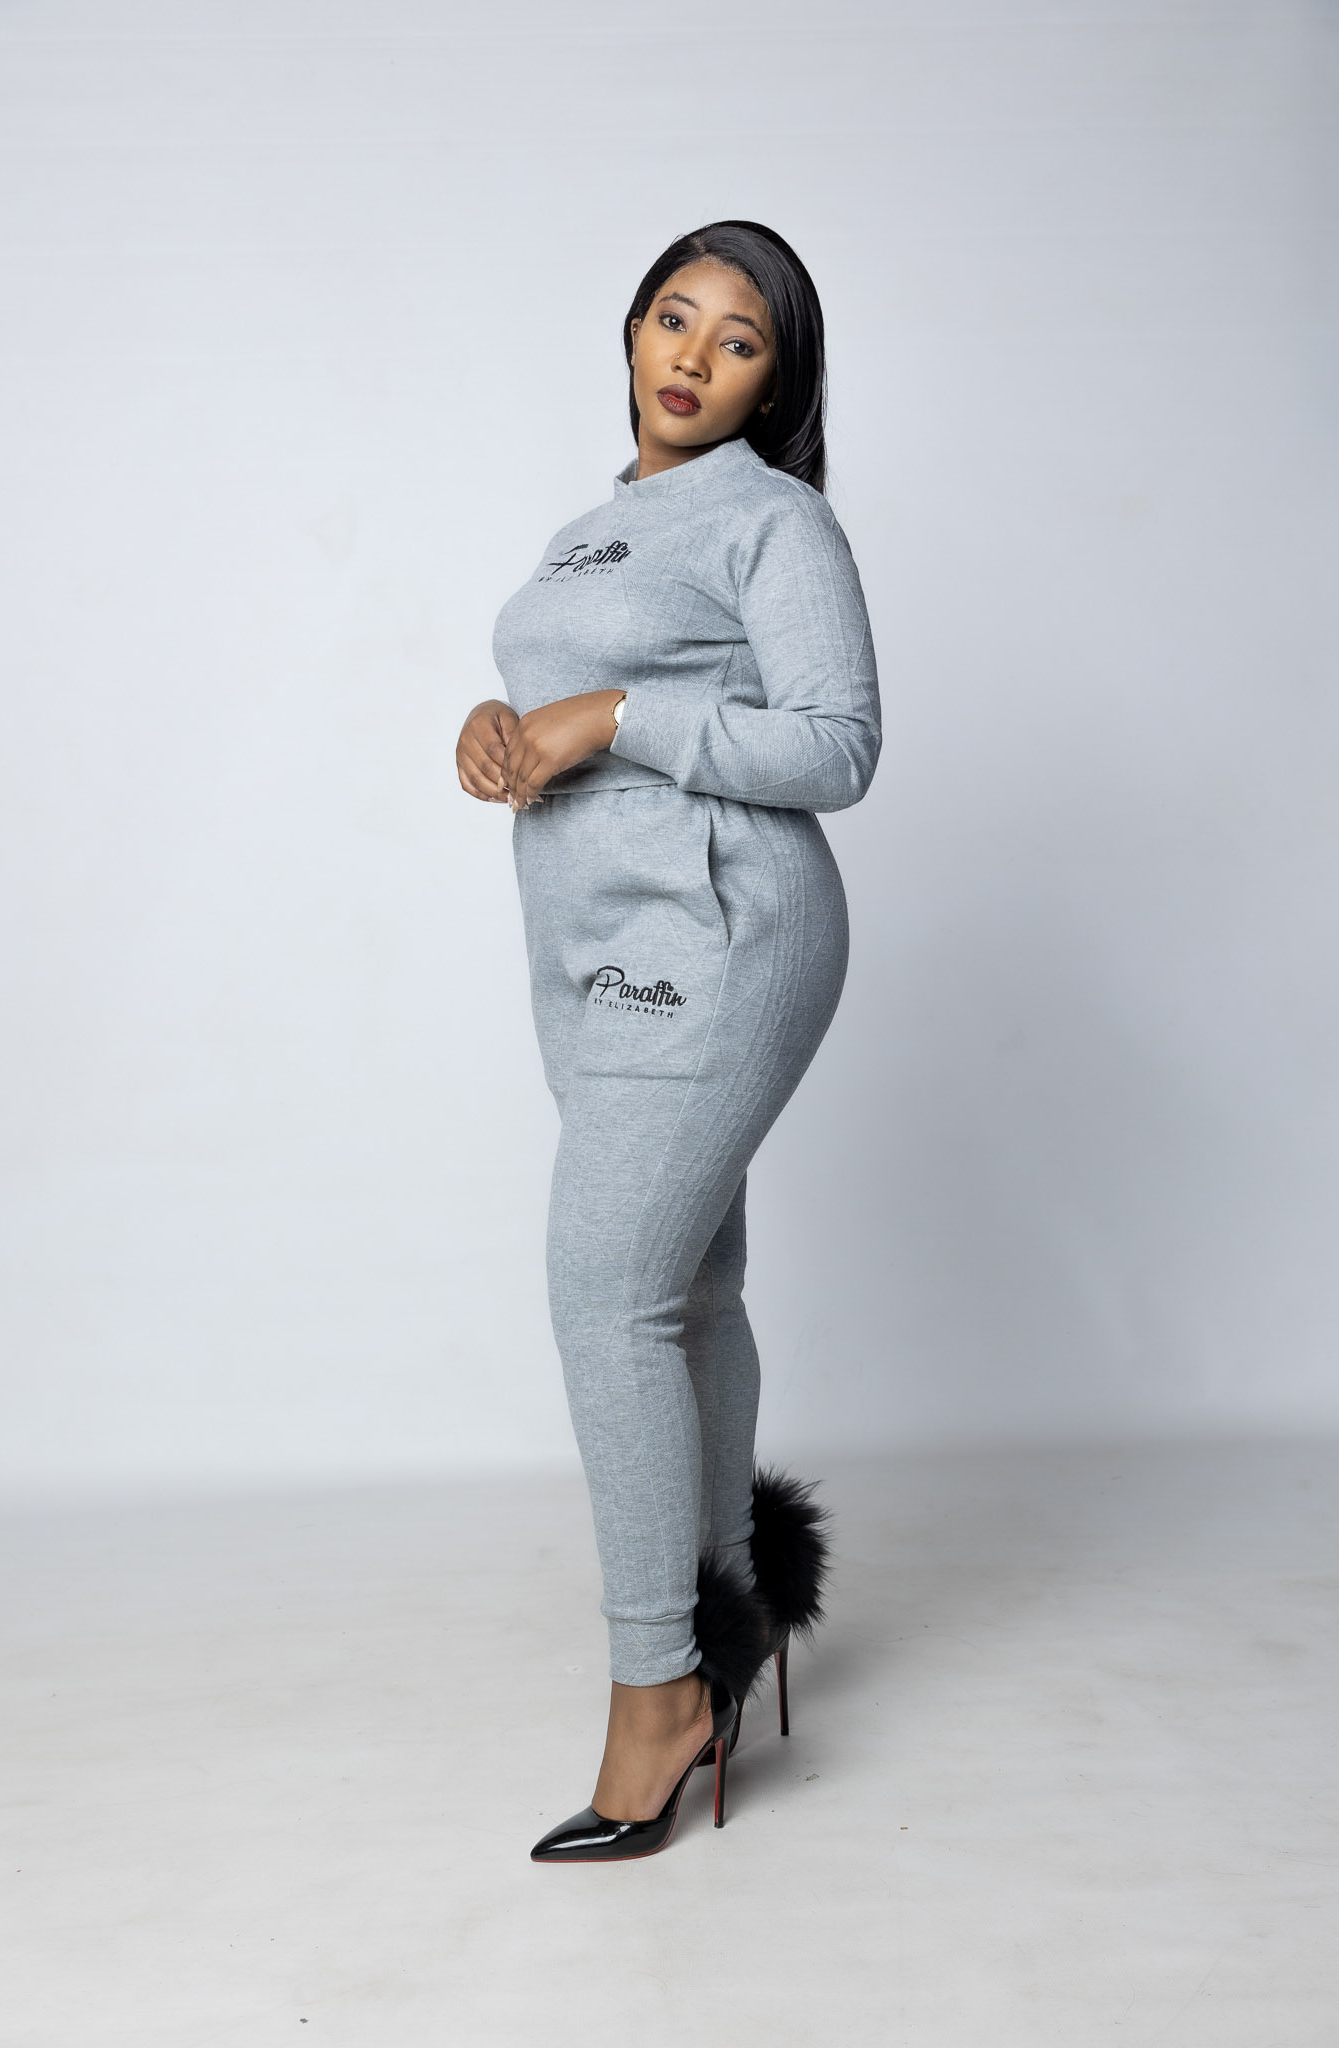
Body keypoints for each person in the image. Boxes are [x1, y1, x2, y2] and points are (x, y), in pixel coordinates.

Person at [456, 220, 880, 1862]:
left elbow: (837, 746)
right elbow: (565, 705)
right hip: (592, 940)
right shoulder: (587, 535)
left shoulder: (774, 519)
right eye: (671, 317)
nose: (693, 355)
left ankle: (659, 1690)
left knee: (605, 1289)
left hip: (721, 927)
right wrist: (503, 731)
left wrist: (619, 719)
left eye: (738, 338)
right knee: (686, 1290)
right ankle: (731, 1609)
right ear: (631, 333)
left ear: (776, 381)